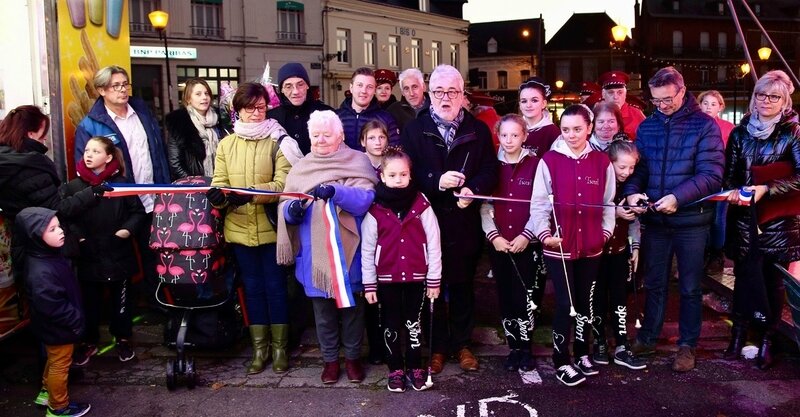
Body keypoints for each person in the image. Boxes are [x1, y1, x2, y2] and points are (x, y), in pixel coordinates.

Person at [624, 67, 724, 372]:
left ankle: (687, 345)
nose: (662, 105)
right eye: (656, 101)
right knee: (654, 283)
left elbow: (712, 175)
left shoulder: (705, 126)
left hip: (692, 220)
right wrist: (631, 192)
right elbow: (639, 169)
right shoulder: (648, 126)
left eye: (667, 99)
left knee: (690, 286)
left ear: (682, 91)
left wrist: (677, 198)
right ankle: (648, 337)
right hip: (655, 219)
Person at [400, 64, 498, 374]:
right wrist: (435, 180)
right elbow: (406, 174)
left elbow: (490, 171)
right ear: (429, 94)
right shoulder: (414, 130)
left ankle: (462, 344)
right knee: (433, 287)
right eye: (439, 91)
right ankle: (437, 348)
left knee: (462, 285)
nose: (445, 98)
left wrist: (474, 188)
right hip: (427, 223)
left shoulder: (478, 129)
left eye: (452, 92)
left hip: (464, 222)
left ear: (462, 94)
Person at [277, 110, 377, 384]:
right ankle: (330, 360)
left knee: (353, 310)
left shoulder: (357, 161)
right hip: (313, 252)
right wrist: (292, 210)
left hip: (349, 250)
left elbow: (365, 200)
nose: (320, 140)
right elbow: (285, 205)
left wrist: (337, 191)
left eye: (326, 135)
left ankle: (354, 358)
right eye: (315, 135)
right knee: (322, 313)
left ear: (340, 136)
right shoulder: (301, 167)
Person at [206, 82, 292, 375]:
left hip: (270, 229)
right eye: (249, 108)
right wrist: (218, 196)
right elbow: (219, 180)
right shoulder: (227, 144)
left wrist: (251, 192)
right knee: (252, 289)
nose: (256, 113)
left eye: (261, 106)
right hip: (239, 229)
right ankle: (259, 348)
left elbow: (284, 185)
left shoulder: (279, 140)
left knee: (276, 289)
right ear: (237, 110)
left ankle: (280, 348)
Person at [530, 104, 616, 387]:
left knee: (584, 304)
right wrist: (544, 235)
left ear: (589, 128)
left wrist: (604, 234)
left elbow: (608, 203)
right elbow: (539, 205)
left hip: (591, 247)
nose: (571, 135)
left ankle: (582, 353)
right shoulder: (549, 161)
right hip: (559, 247)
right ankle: (561, 360)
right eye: (565, 130)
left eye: (577, 129)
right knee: (566, 304)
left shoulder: (602, 162)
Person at [74, 65, 170, 312]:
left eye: (125, 84)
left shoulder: (142, 111)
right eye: (116, 86)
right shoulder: (91, 125)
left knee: (154, 253)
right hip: (120, 203)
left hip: (152, 197)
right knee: (122, 256)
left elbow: (157, 151)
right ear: (101, 90)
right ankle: (121, 311)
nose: (123, 90)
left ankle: (156, 300)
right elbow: (84, 168)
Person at [722, 70, 800, 370]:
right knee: (744, 280)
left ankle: (768, 340)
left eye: (773, 96)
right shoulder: (740, 133)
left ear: (784, 101)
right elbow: (729, 175)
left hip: (779, 223)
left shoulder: (793, 132)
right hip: (744, 220)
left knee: (772, 285)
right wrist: (729, 193)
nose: (766, 101)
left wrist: (767, 188)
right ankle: (738, 335)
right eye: (761, 95)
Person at [361, 146, 442, 392]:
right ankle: (395, 368)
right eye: (393, 175)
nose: (399, 180)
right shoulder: (375, 208)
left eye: (404, 175)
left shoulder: (422, 204)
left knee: (413, 323)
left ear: (410, 175)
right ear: (382, 176)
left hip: (418, 277)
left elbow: (434, 242)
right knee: (391, 324)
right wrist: (369, 284)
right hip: (387, 279)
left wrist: (434, 279)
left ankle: (415, 366)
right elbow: (367, 248)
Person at [62, 137, 146, 366]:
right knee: (89, 301)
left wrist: (126, 231)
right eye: (87, 150)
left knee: (122, 301)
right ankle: (89, 341)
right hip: (88, 251)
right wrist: (79, 237)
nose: (88, 155)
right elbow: (67, 216)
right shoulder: (74, 186)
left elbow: (137, 213)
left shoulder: (122, 184)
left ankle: (123, 338)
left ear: (108, 157)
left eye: (95, 151)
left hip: (118, 250)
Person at [0, 105, 105, 280]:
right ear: (30, 134)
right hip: (45, 247)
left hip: (22, 243)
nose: (45, 139)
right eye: (43, 134)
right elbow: (57, 208)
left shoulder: (6, 160)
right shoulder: (31, 165)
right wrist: (91, 193)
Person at [479, 114, 546, 372]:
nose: (509, 140)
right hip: (500, 244)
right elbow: (485, 205)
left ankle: (527, 346)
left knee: (527, 296)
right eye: (504, 135)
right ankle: (513, 346)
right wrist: (494, 237)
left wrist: (526, 236)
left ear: (524, 136)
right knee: (506, 296)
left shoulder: (536, 164)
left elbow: (540, 206)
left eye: (515, 135)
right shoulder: (491, 165)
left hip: (525, 243)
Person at [16, 207, 90, 417]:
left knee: (53, 359)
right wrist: (75, 320)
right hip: (59, 328)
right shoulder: (41, 271)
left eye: (59, 226)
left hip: (51, 327)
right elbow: (51, 304)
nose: (61, 232)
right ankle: (59, 407)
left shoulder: (46, 256)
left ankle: (46, 392)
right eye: (52, 229)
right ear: (36, 236)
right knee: (60, 364)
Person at [591, 137, 647, 370]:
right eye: (622, 166)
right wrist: (615, 213)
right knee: (597, 300)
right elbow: (592, 212)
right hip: (597, 252)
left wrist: (635, 248)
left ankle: (622, 345)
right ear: (609, 162)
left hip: (620, 251)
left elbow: (634, 221)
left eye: (632, 167)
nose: (627, 172)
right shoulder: (598, 183)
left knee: (619, 299)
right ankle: (600, 342)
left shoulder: (630, 188)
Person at [698, 90, 736, 275]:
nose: (708, 107)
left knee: (718, 219)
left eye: (713, 104)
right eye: (705, 103)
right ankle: (703, 254)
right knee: (701, 218)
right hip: (699, 180)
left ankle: (716, 255)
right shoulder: (694, 125)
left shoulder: (729, 128)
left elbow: (732, 156)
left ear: (721, 107)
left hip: (720, 179)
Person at [268, 62, 334, 164]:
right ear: (281, 90)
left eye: (300, 84)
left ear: (307, 85)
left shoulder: (326, 113)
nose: (295, 91)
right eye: (288, 86)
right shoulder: (271, 118)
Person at [165, 78, 230, 180]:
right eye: (198, 94)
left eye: (206, 93)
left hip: (221, 183)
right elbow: (175, 163)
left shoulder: (221, 120)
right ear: (188, 99)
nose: (204, 97)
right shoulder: (179, 122)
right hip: (193, 187)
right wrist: (195, 183)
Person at [336, 67, 400, 151]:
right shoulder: (335, 117)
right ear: (351, 88)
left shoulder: (386, 119)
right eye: (359, 85)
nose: (364, 91)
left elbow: (394, 153)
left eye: (369, 87)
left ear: (374, 90)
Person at [598, 71, 646, 140]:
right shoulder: (596, 114)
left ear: (625, 94)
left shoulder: (636, 114)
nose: (615, 97)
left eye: (620, 92)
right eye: (611, 93)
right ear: (603, 94)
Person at [518, 77, 560, 157]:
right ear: (520, 105)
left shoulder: (553, 132)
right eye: (524, 101)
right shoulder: (513, 127)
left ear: (544, 103)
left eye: (534, 100)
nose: (528, 105)